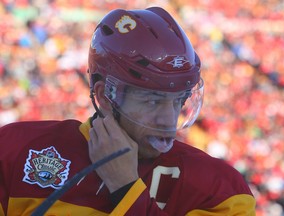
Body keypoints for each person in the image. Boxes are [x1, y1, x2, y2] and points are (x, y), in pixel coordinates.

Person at [0, 7, 256, 215]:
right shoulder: (13, 152)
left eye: (179, 100)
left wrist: (126, 188)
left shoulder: (222, 191)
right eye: (152, 100)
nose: (168, 120)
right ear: (104, 96)